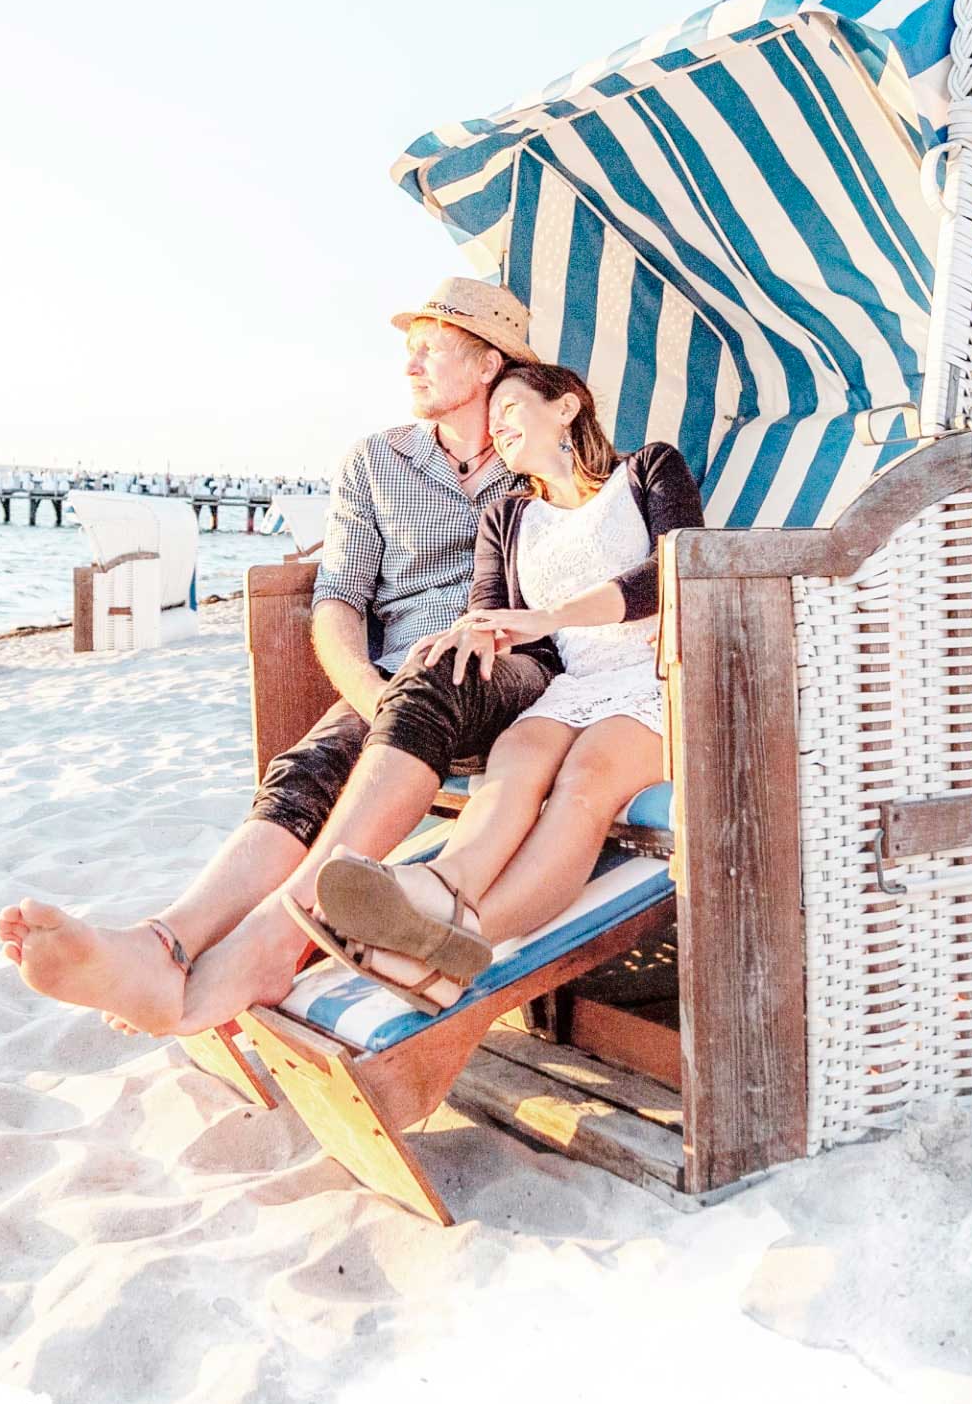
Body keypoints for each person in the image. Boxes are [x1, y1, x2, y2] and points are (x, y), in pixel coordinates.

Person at [0, 276, 556, 1035]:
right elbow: (338, 599)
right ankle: (164, 943)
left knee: (428, 680)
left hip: (511, 672)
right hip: (399, 681)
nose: (410, 364)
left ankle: (274, 940)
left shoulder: (541, 454)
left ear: (489, 363)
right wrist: (371, 695)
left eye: (431, 348)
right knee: (309, 765)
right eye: (410, 350)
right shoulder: (376, 461)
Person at [287, 361, 701, 1011]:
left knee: (585, 781)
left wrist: (553, 616)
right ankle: (441, 887)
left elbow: (676, 569)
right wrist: (464, 635)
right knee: (512, 767)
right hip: (576, 684)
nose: (498, 427)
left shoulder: (648, 469)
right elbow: (490, 610)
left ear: (565, 406)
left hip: (659, 673)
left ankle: (464, 942)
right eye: (494, 418)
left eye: (510, 408)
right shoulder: (507, 517)